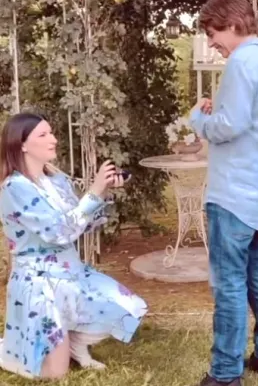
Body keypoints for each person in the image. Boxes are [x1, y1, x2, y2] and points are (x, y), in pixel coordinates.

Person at [0, 113, 148, 380]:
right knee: (55, 373)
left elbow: (80, 227)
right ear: (21, 145)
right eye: (43, 135)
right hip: (39, 284)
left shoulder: (57, 181)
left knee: (132, 308)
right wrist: (93, 192)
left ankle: (74, 344)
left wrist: (103, 192)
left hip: (72, 274)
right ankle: (10, 352)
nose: (53, 140)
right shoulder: (14, 187)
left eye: (51, 132)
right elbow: (58, 232)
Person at [189, 0, 258, 386]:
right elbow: (250, 120)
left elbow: (229, 126)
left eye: (213, 34)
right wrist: (221, 112)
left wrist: (199, 119)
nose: (212, 43)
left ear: (231, 23)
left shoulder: (241, 62)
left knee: (229, 283)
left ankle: (226, 372)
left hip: (232, 194)